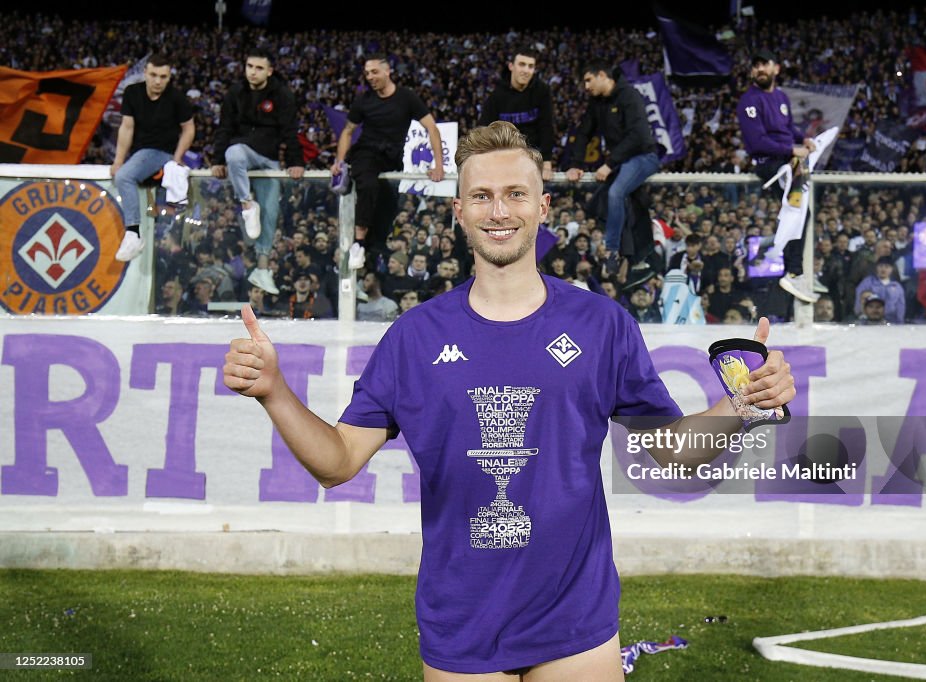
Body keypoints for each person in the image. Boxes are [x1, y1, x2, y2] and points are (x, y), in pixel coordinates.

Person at [223, 121, 794, 678]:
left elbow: (672, 453)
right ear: (459, 212)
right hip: (461, 623)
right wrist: (274, 393)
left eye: (515, 194)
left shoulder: (602, 325)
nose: (499, 211)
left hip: (576, 619)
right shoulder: (414, 337)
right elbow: (338, 462)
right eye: (482, 196)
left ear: (542, 207)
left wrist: (741, 407)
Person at [331, 54, 444, 252]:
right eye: (367, 73)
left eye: (374, 72)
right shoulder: (363, 101)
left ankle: (371, 255)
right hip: (365, 153)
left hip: (392, 159)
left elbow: (432, 129)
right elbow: (347, 132)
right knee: (367, 184)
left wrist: (439, 165)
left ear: (387, 71)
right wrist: (339, 162)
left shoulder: (407, 97)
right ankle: (359, 242)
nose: (370, 77)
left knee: (386, 211)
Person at [736, 49, 819, 303]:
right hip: (770, 164)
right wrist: (792, 148)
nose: (760, 69)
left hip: (787, 161)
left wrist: (801, 137)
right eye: (756, 66)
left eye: (765, 64)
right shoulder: (749, 101)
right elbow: (757, 141)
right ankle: (794, 272)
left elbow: (786, 127)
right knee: (799, 212)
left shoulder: (780, 96)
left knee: (800, 212)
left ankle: (794, 272)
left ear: (776, 69)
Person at [566, 61, 660, 281]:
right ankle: (632, 256)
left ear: (602, 74)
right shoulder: (597, 103)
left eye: (588, 80)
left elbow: (637, 136)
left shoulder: (629, 96)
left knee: (616, 193)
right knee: (607, 201)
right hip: (622, 163)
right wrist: (576, 163)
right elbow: (583, 133)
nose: (586, 86)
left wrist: (609, 163)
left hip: (644, 157)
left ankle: (612, 251)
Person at [211, 47, 305, 252]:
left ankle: (262, 268)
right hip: (244, 150)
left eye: (259, 68)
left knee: (270, 214)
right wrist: (217, 160)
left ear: (269, 71)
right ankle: (247, 204)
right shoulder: (235, 92)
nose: (253, 72)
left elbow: (290, 130)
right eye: (250, 66)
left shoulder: (282, 94)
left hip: (269, 156)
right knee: (233, 154)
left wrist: (295, 162)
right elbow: (225, 127)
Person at [111, 54, 195, 261]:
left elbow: (189, 128)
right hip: (140, 154)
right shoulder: (132, 93)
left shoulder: (177, 98)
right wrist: (118, 159)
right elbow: (127, 127)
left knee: (123, 177)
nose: (158, 81)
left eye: (163, 77)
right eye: (154, 75)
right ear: (145, 74)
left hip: (161, 152)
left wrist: (177, 157)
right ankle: (135, 233)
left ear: (169, 78)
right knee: (124, 174)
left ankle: (133, 233)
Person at [478, 45, 555, 180]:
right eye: (522, 64)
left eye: (530, 66)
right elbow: (484, 130)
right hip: (503, 159)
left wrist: (547, 162)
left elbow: (546, 126)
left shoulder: (542, 91)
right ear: (511, 66)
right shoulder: (497, 96)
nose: (526, 70)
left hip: (533, 159)